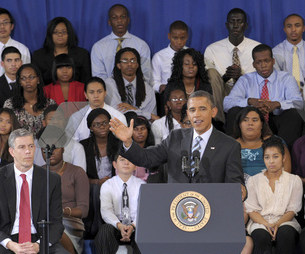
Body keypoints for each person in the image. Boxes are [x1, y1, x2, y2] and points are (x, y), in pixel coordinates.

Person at [0, 128, 79, 254]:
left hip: (40, 239)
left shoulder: (51, 179)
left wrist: (38, 246)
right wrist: (12, 245)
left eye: (31, 146)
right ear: (11, 151)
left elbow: (56, 223)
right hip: (7, 240)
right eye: (22, 147)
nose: (28, 151)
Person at [110, 91, 245, 190]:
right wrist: (128, 141)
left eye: (202, 109)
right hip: (177, 209)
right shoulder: (176, 137)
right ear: (188, 114)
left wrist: (241, 191)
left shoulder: (230, 145)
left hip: (212, 209)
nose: (197, 114)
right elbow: (147, 158)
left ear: (214, 112)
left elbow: (235, 184)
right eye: (192, 110)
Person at [224, 44, 304, 149]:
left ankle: (285, 152)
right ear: (253, 64)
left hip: (276, 121)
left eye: (267, 61)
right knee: (233, 111)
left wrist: (277, 104)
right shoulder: (246, 80)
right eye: (259, 62)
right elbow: (227, 103)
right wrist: (250, 102)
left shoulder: (286, 78)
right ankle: (235, 151)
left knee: (294, 114)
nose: (263, 65)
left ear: (273, 61)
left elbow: (299, 103)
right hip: (252, 121)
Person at [245, 136, 303, 254]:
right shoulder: (254, 181)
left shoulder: (294, 180)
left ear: (283, 158)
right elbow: (252, 211)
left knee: (286, 234)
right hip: (260, 221)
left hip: (285, 220)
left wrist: (277, 224)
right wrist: (267, 224)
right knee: (260, 236)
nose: (271, 161)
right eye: (267, 157)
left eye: (275, 157)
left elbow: (292, 210)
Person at [204, 8, 260, 123]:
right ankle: (219, 122)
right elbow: (209, 82)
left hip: (248, 92)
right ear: (226, 25)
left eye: (239, 22)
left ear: (246, 25)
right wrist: (225, 77)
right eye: (232, 22)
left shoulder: (257, 48)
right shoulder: (212, 49)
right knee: (211, 73)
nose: (235, 25)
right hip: (222, 92)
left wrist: (241, 78)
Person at [40, 134, 89, 254]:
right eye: (45, 149)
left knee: (53, 228)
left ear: (63, 149)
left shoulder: (77, 172)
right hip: (42, 222)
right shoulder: (36, 174)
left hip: (70, 222)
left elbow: (83, 210)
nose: (50, 152)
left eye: (54, 148)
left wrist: (60, 212)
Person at [95, 154, 145, 254]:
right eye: (122, 160)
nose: (126, 163)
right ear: (115, 164)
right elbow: (106, 211)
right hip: (115, 225)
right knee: (104, 232)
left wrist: (133, 226)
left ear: (136, 166)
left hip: (136, 225)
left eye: (130, 160)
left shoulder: (142, 185)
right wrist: (119, 226)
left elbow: (143, 212)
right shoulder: (107, 185)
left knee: (145, 233)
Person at [80, 108, 120, 238]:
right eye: (97, 124)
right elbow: (79, 175)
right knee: (96, 189)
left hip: (116, 185)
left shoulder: (119, 144)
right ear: (90, 128)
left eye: (105, 123)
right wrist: (97, 182)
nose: (102, 127)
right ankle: (94, 229)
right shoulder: (83, 146)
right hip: (91, 187)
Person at [91, 4, 151, 83]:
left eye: (123, 17)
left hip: (134, 91)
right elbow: (99, 75)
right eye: (114, 17)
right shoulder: (98, 47)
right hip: (109, 92)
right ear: (109, 22)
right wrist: (113, 89)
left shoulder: (141, 45)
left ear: (128, 20)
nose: (119, 20)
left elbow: (146, 73)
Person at [232, 106, 291, 177]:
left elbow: (286, 170)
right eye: (245, 120)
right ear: (239, 124)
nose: (250, 123)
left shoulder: (275, 142)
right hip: (238, 185)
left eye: (255, 120)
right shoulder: (230, 144)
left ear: (262, 124)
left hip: (271, 185)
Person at [32, 17, 91, 86]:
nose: (60, 35)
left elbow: (86, 81)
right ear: (50, 34)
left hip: (76, 95)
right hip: (47, 95)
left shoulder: (82, 54)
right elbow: (37, 82)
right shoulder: (38, 56)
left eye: (64, 32)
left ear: (69, 34)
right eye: (55, 32)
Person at [105, 48, 158, 121]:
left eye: (133, 61)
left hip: (142, 129)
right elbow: (117, 111)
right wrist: (145, 114)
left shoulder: (148, 89)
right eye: (125, 61)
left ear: (137, 65)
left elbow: (153, 119)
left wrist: (133, 109)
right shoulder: (109, 84)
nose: (129, 64)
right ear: (118, 65)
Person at [3, 64, 56, 135]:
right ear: (20, 82)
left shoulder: (50, 104)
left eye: (31, 77)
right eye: (23, 78)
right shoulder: (10, 104)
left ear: (38, 80)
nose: (28, 81)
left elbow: (57, 128)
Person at [69, 77, 126, 142]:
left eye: (99, 92)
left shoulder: (118, 117)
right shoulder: (76, 118)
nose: (96, 95)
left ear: (105, 93)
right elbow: (72, 146)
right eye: (91, 92)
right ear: (85, 95)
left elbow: (123, 144)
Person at [273, 14, 305, 89]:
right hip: (283, 94)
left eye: (297, 25)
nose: (293, 29)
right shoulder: (275, 52)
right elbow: (275, 79)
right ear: (284, 29)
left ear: (303, 28)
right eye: (289, 26)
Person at [33, 104, 86, 171]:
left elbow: (80, 175)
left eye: (59, 118)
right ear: (44, 123)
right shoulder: (34, 145)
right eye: (51, 119)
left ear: (65, 122)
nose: (55, 122)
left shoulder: (76, 147)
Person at [152, 20, 188, 115]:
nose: (179, 42)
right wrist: (160, 86)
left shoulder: (191, 54)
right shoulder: (159, 56)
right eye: (175, 38)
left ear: (187, 37)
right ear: (169, 36)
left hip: (188, 93)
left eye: (182, 38)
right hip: (168, 94)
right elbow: (154, 81)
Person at [131, 116, 162, 183]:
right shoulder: (127, 152)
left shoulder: (155, 151)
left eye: (143, 128)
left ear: (148, 131)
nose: (140, 132)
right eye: (136, 129)